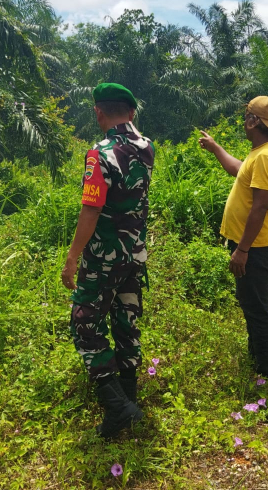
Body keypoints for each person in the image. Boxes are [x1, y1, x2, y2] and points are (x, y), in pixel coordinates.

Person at [61, 82, 154, 439]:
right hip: (135, 252)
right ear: (131, 113)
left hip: (103, 256)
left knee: (85, 324)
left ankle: (117, 409)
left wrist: (72, 259)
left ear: (99, 112)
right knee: (126, 318)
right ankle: (129, 398)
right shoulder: (148, 148)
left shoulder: (99, 154)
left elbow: (91, 209)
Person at [198, 96, 268, 380]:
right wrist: (216, 149)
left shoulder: (267, 157)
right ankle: (258, 357)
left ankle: (266, 371)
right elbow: (239, 171)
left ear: (253, 121)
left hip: (256, 248)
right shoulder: (260, 153)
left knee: (257, 308)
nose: (244, 123)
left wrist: (243, 250)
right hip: (252, 246)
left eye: (246, 117)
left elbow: (261, 206)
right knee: (251, 303)